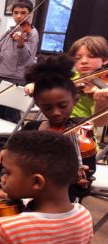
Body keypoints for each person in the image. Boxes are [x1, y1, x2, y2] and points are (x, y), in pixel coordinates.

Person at [21, 54, 96, 203]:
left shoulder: (82, 132)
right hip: (28, 196)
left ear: (75, 100)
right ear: (38, 104)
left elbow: (83, 190)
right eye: (47, 107)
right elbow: (11, 162)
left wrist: (78, 183)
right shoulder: (31, 129)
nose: (55, 112)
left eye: (62, 105)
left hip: (61, 203)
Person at [24, 35, 108, 126]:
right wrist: (35, 84)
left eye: (91, 56)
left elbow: (99, 123)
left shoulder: (103, 86)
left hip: (83, 130)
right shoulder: (69, 75)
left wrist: (102, 102)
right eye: (77, 58)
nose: (84, 61)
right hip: (55, 123)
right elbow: (51, 82)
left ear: (105, 60)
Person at [0, 0, 39, 123]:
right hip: (1, 75)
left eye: (23, 13)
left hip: (16, 79)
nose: (19, 16)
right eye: (16, 12)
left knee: (11, 114)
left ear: (30, 13)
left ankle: (13, 138)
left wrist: (21, 45)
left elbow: (25, 60)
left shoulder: (32, 33)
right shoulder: (10, 31)